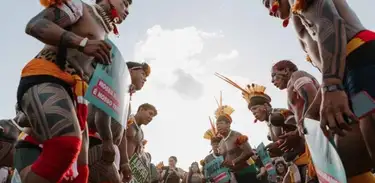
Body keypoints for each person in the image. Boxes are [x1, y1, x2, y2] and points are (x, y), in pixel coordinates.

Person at [15, 0, 131, 182]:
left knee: (80, 171)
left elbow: (92, 77)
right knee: (65, 146)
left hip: (76, 96)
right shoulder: (79, 8)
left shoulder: (106, 38)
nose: (127, 10)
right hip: (47, 75)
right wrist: (82, 42)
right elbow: (35, 25)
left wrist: (120, 90)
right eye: (124, 2)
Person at [261, 0, 375, 174]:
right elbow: (329, 67)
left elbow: (329, 23)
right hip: (347, 75)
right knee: (345, 164)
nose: (269, 11)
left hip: (361, 62)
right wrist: (304, 126)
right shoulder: (296, 16)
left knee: (369, 129)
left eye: (268, 2)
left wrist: (332, 85)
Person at [271, 60, 375, 181]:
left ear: (285, 70)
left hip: (321, 133)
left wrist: (304, 127)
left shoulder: (296, 75)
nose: (272, 81)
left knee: (342, 172)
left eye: (274, 75)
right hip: (315, 134)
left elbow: (310, 92)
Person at [87, 61, 150, 183]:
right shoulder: (112, 81)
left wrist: (125, 163)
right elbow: (100, 113)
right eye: (142, 74)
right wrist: (107, 141)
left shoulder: (127, 101)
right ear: (130, 71)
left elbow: (122, 136)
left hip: (110, 149)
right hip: (95, 142)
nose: (145, 79)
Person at [213, 92, 256, 183]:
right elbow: (224, 160)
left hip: (247, 172)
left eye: (221, 123)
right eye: (217, 124)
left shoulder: (236, 135)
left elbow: (249, 152)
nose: (218, 126)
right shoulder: (220, 143)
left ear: (228, 124)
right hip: (233, 176)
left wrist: (234, 162)